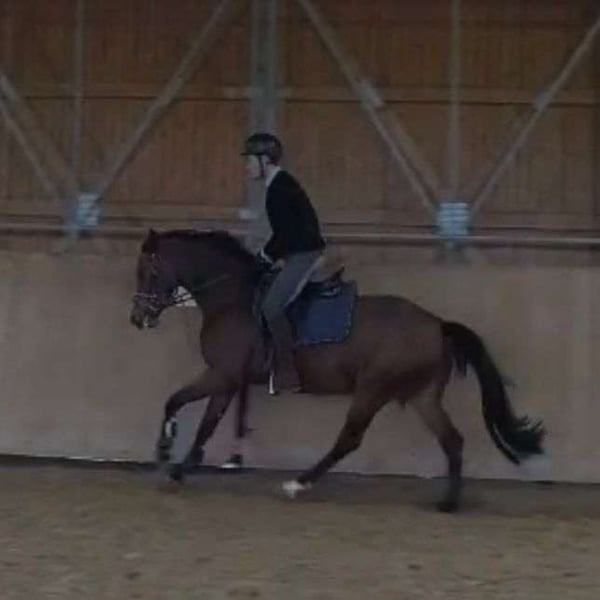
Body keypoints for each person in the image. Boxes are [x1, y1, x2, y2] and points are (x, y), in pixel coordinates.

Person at [241, 132, 326, 392]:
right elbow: (286, 233)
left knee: (271, 308)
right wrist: (266, 257)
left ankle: (289, 373)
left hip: (305, 256)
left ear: (265, 160)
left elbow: (285, 235)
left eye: (250, 161)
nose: (247, 166)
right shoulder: (278, 185)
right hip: (294, 252)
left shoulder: (279, 189)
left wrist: (264, 257)